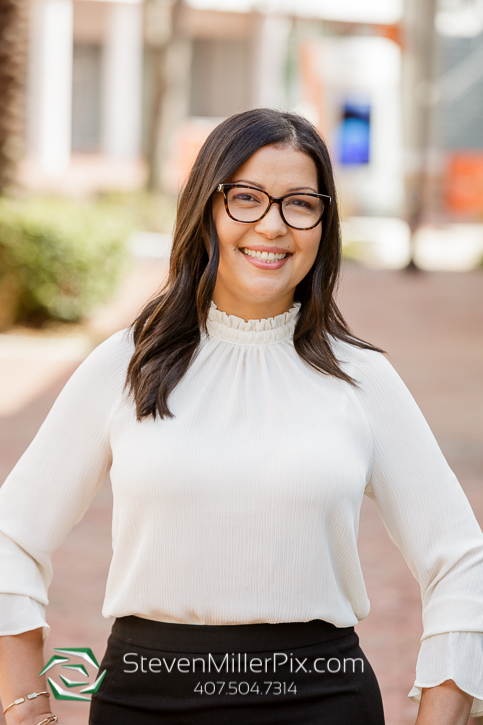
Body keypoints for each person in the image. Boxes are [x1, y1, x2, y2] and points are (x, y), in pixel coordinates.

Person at [0, 108, 482, 725]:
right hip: (144, 702)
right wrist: (25, 706)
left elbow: (463, 562)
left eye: (300, 204)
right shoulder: (128, 364)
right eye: (246, 198)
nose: (273, 226)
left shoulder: (362, 380)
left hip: (321, 704)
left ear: (323, 223)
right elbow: (12, 537)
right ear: (206, 208)